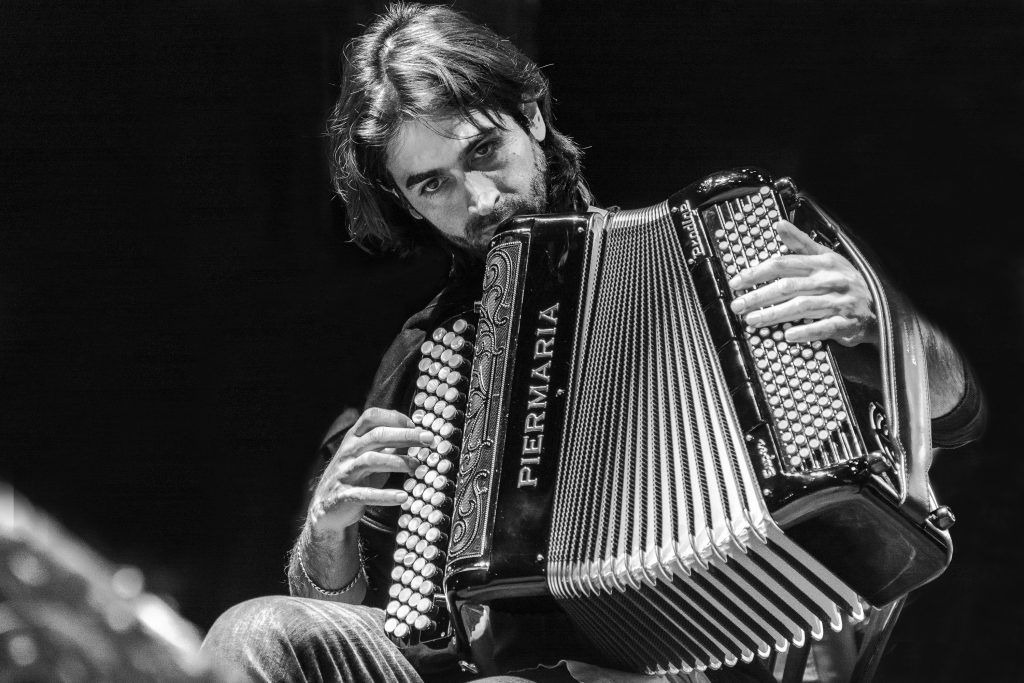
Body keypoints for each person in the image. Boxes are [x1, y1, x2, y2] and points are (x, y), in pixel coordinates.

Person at [201, 4, 985, 682]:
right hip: (485, 665)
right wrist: (324, 534)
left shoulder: (720, 259)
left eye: (483, 150)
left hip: (697, 657)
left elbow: (953, 413)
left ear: (533, 118)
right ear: (408, 201)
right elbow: (354, 607)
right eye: (432, 183)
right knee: (253, 634)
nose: (479, 199)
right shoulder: (430, 352)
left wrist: (885, 323)